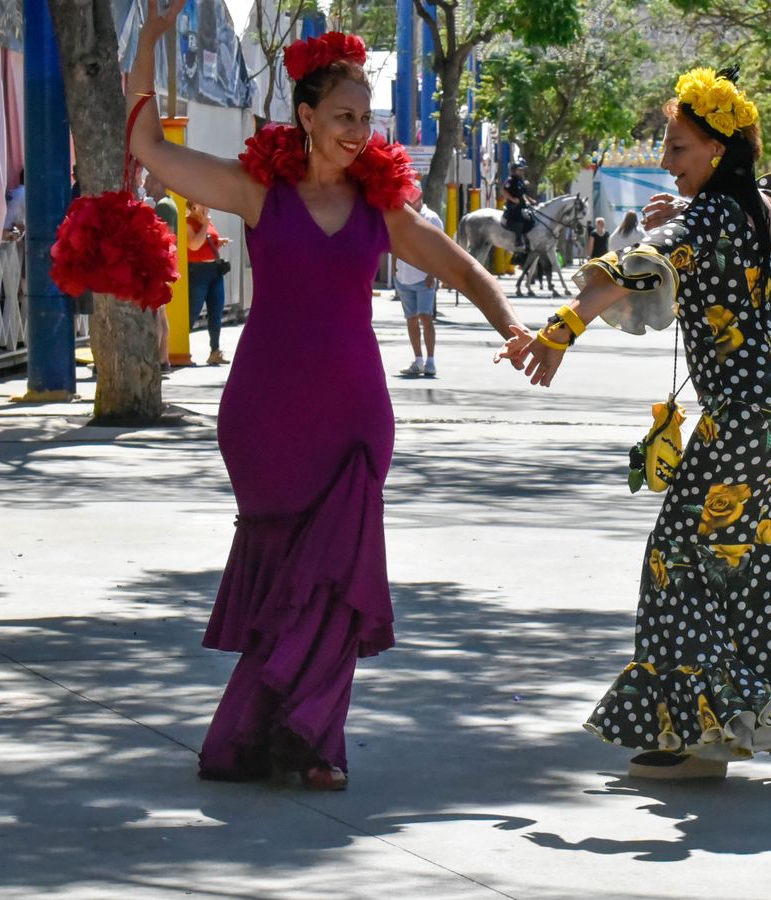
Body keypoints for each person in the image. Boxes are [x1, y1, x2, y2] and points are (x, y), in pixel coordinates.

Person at [127, 8, 524, 790]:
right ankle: (271, 733)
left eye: (366, 119)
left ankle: (314, 743)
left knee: (338, 581)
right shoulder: (255, 193)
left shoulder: (384, 210)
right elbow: (148, 149)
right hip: (264, 416)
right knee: (285, 576)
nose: (358, 131)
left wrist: (513, 328)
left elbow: (468, 272)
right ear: (305, 118)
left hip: (354, 419)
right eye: (343, 117)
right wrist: (146, 41)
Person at [501, 66, 771, 784]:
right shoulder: (761, 207)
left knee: (680, 555)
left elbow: (639, 264)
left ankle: (695, 736)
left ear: (719, 149)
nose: (666, 157)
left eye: (679, 147)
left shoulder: (712, 216)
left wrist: (557, 332)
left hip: (750, 411)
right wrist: (682, 215)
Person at [396, 191, 444, 377]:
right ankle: (418, 360)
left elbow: (440, 247)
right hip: (403, 276)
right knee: (411, 320)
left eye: (410, 197)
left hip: (424, 278)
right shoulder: (401, 216)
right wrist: (395, 268)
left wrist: (433, 273)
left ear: (419, 197)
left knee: (425, 317)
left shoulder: (431, 218)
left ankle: (430, 361)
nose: (408, 201)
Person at [185, 200, 231, 366]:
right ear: (193, 207)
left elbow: (207, 241)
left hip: (214, 269)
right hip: (198, 271)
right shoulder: (189, 223)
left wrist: (219, 242)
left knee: (216, 310)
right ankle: (182, 349)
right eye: (203, 204)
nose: (207, 207)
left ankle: (215, 350)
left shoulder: (208, 221)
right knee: (193, 310)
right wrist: (204, 226)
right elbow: (194, 245)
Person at [143, 169, 178, 372]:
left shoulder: (163, 206)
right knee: (161, 314)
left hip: (161, 264)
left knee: (156, 314)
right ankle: (163, 358)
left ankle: (157, 358)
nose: (145, 183)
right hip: (165, 264)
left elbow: (166, 237)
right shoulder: (166, 204)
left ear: (157, 181)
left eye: (148, 179)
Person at [503, 160, 534, 255]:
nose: (522, 172)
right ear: (514, 170)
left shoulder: (521, 181)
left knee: (531, 219)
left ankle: (528, 241)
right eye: (519, 170)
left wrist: (530, 200)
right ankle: (518, 240)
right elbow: (504, 191)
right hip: (513, 206)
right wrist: (512, 199)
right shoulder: (510, 181)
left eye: (522, 170)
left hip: (522, 206)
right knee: (520, 219)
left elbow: (523, 194)